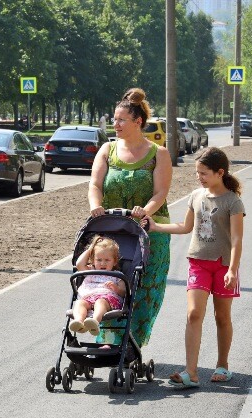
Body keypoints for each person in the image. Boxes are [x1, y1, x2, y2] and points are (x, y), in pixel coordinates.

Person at [142, 147, 245, 388]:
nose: (199, 177)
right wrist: (155, 227)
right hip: (198, 263)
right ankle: (191, 372)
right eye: (197, 173)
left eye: (204, 173)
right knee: (193, 313)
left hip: (223, 266)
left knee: (222, 317)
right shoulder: (196, 196)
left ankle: (222, 365)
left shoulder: (233, 201)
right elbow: (185, 227)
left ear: (220, 173)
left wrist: (232, 269)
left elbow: (238, 240)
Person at [88, 87, 172, 347]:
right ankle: (109, 341)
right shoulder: (107, 150)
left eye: (121, 119)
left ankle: (132, 343)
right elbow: (95, 184)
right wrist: (95, 206)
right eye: (114, 119)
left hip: (149, 231)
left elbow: (161, 192)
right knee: (107, 284)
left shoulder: (158, 153)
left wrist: (145, 211)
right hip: (112, 230)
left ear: (138, 122)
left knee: (143, 288)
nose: (116, 124)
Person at [70, 236, 126, 336]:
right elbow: (79, 264)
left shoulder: (117, 275)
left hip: (108, 300)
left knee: (100, 302)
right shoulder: (91, 271)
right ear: (93, 260)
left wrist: (116, 288)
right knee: (79, 303)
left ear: (114, 262)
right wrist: (91, 249)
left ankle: (94, 321)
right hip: (88, 298)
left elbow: (124, 292)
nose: (102, 263)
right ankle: (79, 322)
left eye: (107, 260)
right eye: (99, 260)